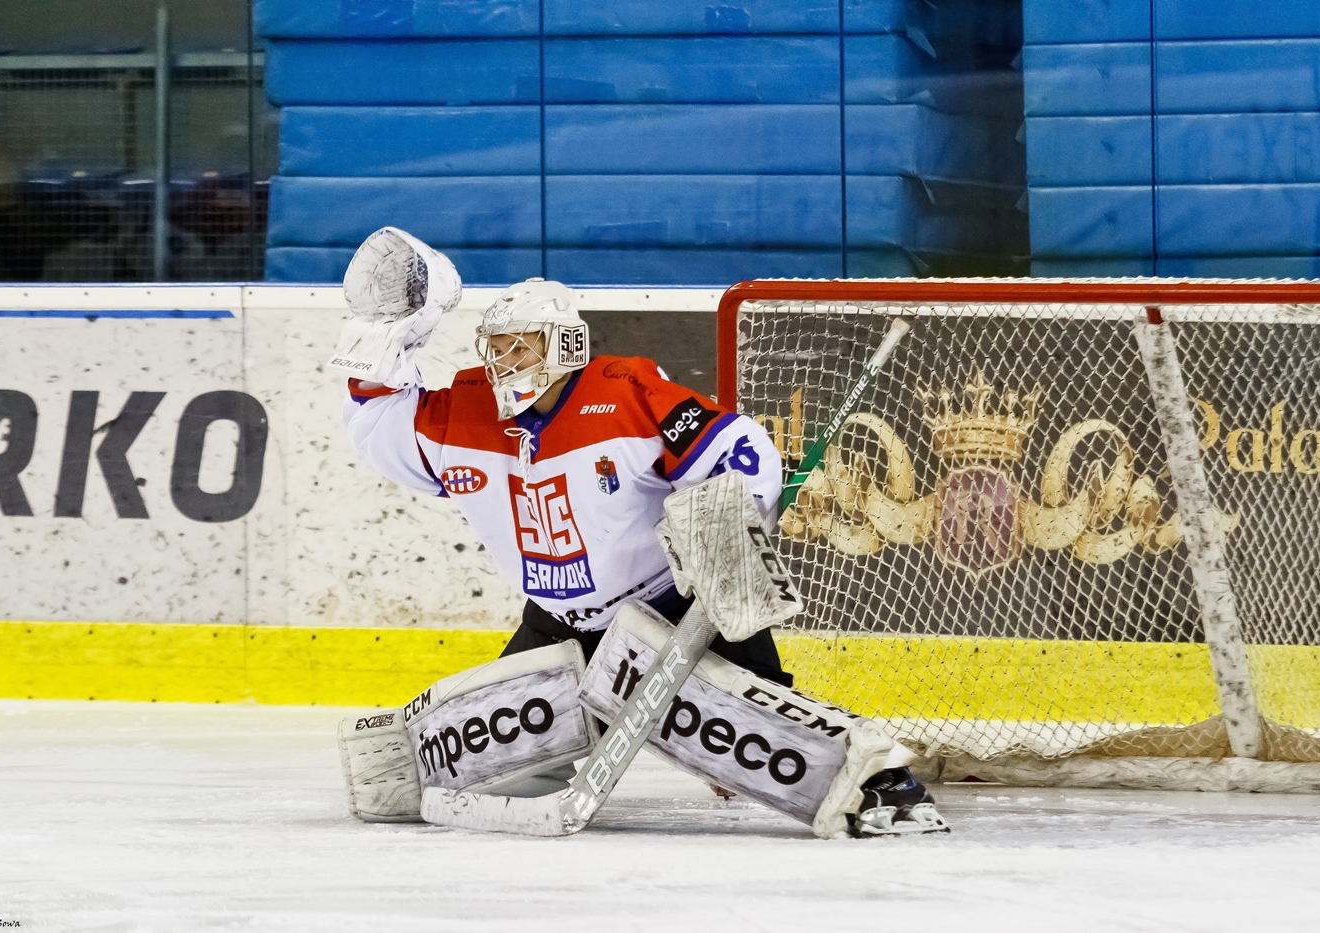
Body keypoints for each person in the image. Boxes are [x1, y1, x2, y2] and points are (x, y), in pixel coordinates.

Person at [334, 228, 947, 835]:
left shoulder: (624, 391)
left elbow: (737, 445)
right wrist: (388, 326)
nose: (503, 362)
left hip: (672, 606)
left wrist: (728, 517)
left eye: (521, 347)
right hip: (557, 623)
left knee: (770, 733)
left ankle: (882, 786)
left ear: (564, 345)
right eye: (496, 348)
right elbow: (379, 422)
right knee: (491, 762)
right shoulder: (465, 410)